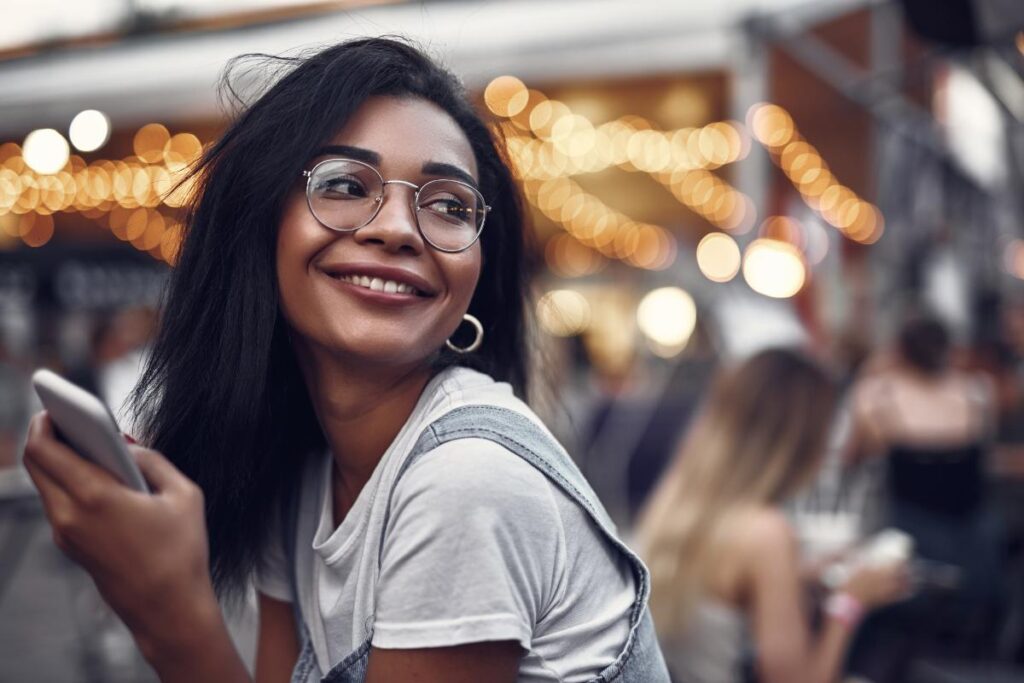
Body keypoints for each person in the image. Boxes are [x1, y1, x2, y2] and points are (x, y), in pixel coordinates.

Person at [21, 38, 669, 683]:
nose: (397, 227)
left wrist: (168, 610)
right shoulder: (306, 470)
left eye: (448, 205)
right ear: (261, 228)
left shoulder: (469, 483)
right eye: (343, 184)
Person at [636, 348, 909, 683]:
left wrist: (800, 578)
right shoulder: (766, 533)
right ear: (801, 439)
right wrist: (850, 602)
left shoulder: (679, 504)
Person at [844, 312, 1003, 680]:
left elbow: (853, 456)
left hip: (913, 547)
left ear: (899, 349)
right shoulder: (976, 392)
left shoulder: (878, 396)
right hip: (978, 546)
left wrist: (873, 370)